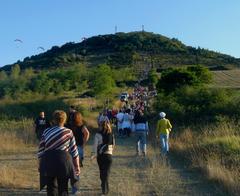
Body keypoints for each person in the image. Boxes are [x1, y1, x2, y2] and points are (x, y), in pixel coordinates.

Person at [38, 110, 80, 196]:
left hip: (49, 161)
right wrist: (77, 166)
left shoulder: (46, 131)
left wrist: (39, 164)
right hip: (63, 162)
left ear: (54, 120)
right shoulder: (69, 132)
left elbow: (40, 151)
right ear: (64, 120)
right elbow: (74, 151)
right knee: (63, 188)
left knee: (51, 188)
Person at [91, 120, 115, 195]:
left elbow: (95, 146)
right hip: (109, 156)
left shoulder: (97, 135)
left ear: (100, 126)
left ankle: (104, 190)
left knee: (102, 172)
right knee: (106, 173)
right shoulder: (111, 134)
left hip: (101, 156)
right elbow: (113, 145)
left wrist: (93, 155)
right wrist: (110, 151)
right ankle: (104, 188)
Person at [71, 112, 90, 194]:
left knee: (70, 168)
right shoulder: (82, 126)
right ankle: (74, 189)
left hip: (70, 148)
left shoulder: (69, 126)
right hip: (79, 147)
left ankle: (71, 187)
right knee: (76, 169)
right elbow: (87, 133)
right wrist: (84, 143)